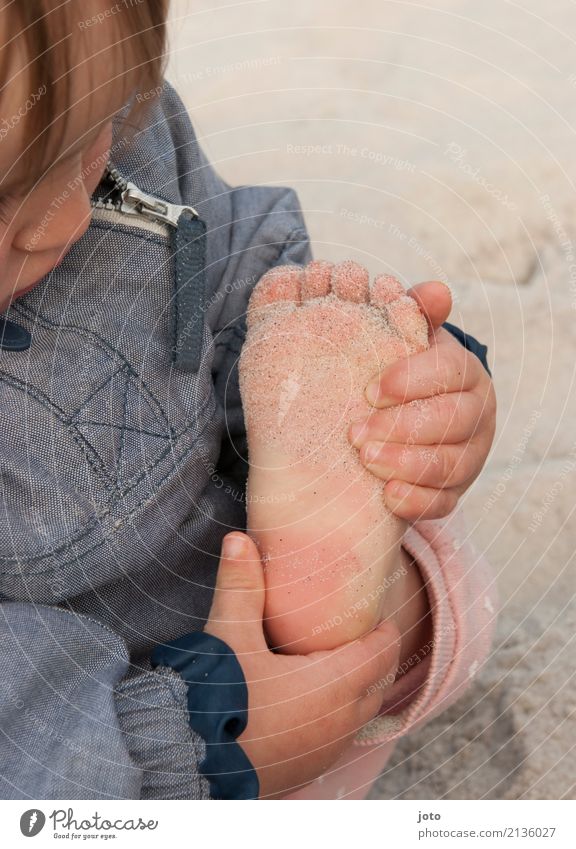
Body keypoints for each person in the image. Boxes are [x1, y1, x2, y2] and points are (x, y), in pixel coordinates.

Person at [0, 0, 497, 800]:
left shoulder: (83, 79)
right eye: (6, 195)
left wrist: (390, 402)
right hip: (120, 734)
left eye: (94, 137)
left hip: (237, 563)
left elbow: (219, 249)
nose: (61, 217)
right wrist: (181, 743)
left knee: (437, 564)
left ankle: (340, 598)